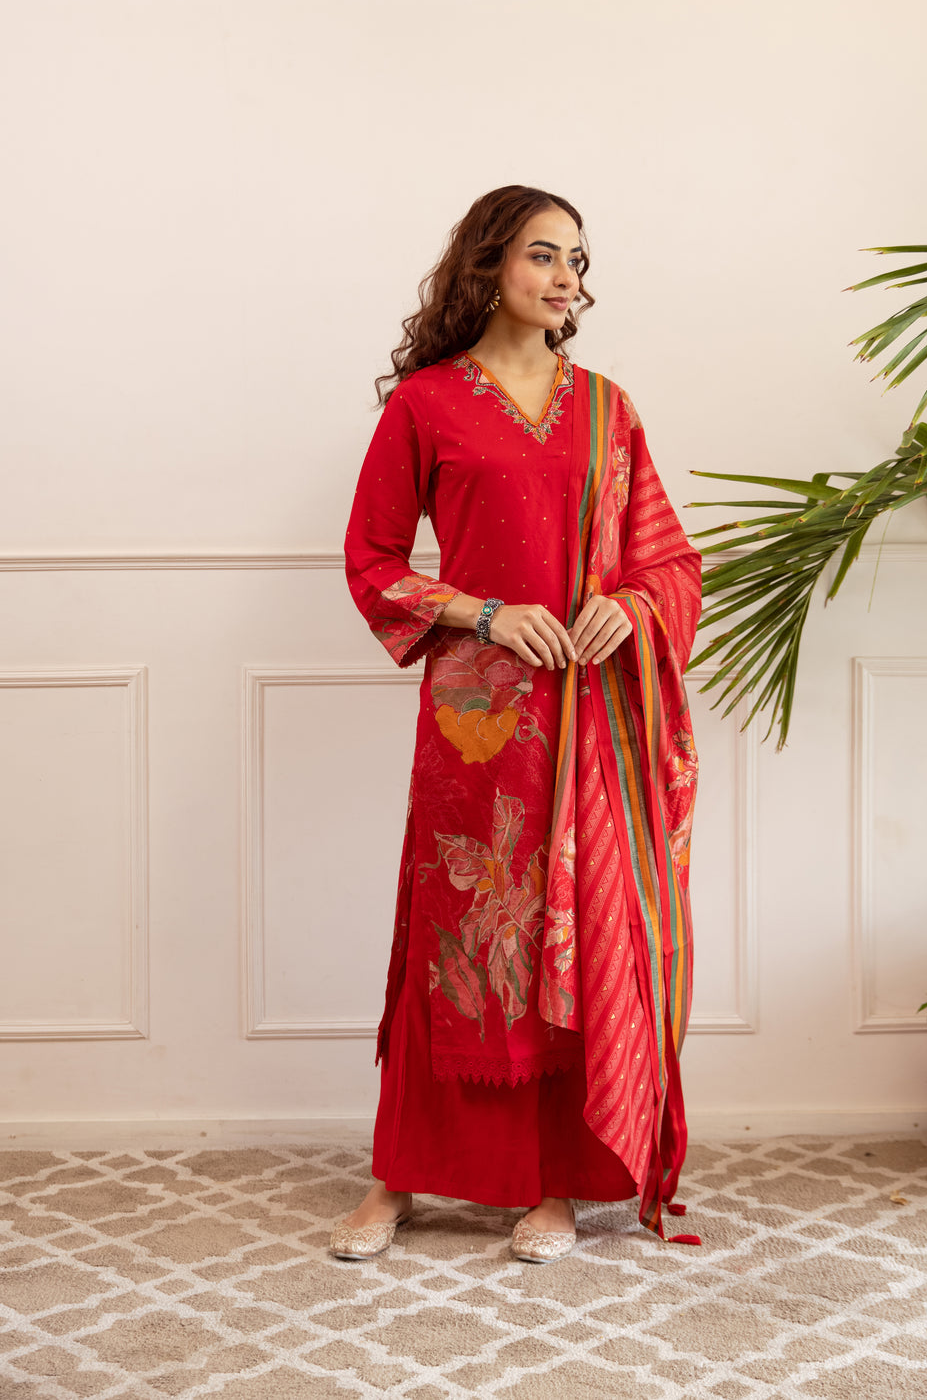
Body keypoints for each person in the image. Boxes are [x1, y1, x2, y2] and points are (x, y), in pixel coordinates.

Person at [333, 185, 701, 1265]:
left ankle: (550, 1180)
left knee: (562, 929)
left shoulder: (608, 408)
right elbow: (373, 561)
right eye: (544, 254)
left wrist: (627, 604)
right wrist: (485, 611)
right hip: (477, 718)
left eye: (577, 260)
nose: (565, 277)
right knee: (456, 932)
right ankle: (399, 1173)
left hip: (591, 711)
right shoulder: (427, 405)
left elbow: (670, 562)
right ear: (490, 262)